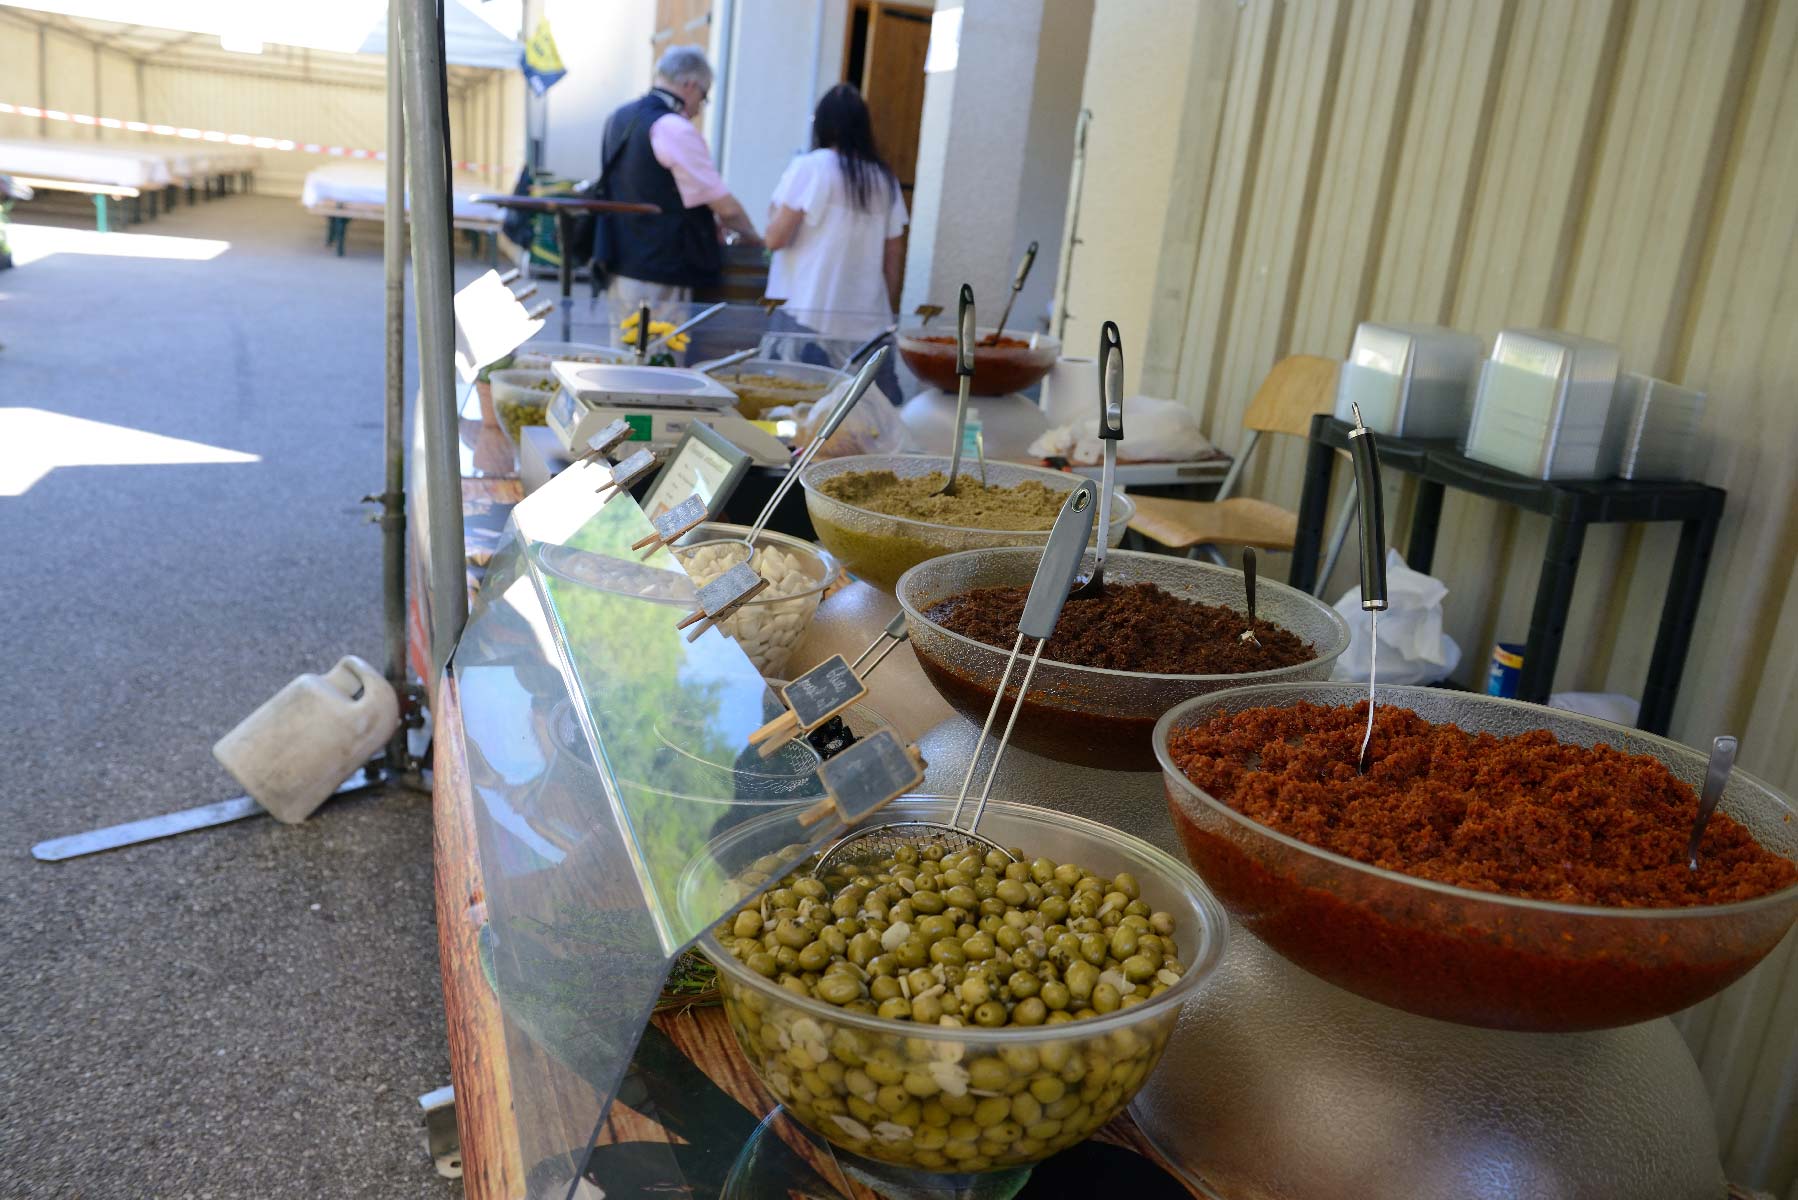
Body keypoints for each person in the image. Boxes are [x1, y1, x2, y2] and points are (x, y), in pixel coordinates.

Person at [592, 46, 760, 309]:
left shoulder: (620, 117)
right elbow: (724, 207)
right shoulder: (673, 128)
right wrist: (756, 240)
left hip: (619, 261)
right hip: (661, 271)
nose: (698, 110)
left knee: (625, 348)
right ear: (691, 85)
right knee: (663, 348)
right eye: (703, 98)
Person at [763, 83, 908, 340]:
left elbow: (775, 239)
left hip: (805, 312)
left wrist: (774, 208)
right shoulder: (885, 179)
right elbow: (893, 255)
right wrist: (888, 306)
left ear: (821, 124)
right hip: (866, 320)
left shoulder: (811, 167)